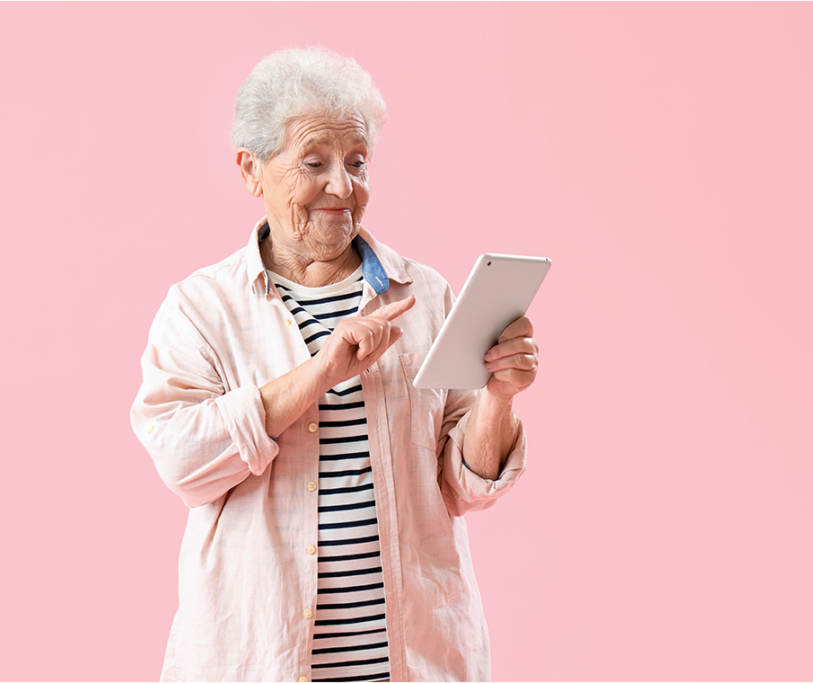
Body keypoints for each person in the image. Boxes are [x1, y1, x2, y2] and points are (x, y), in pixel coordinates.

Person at [130, 47, 539, 682]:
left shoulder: (423, 295)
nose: (342, 188)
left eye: (356, 162)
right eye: (314, 163)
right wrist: (320, 373)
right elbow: (183, 462)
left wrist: (499, 397)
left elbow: (464, 485)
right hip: (256, 661)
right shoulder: (199, 309)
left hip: (415, 661)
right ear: (251, 170)